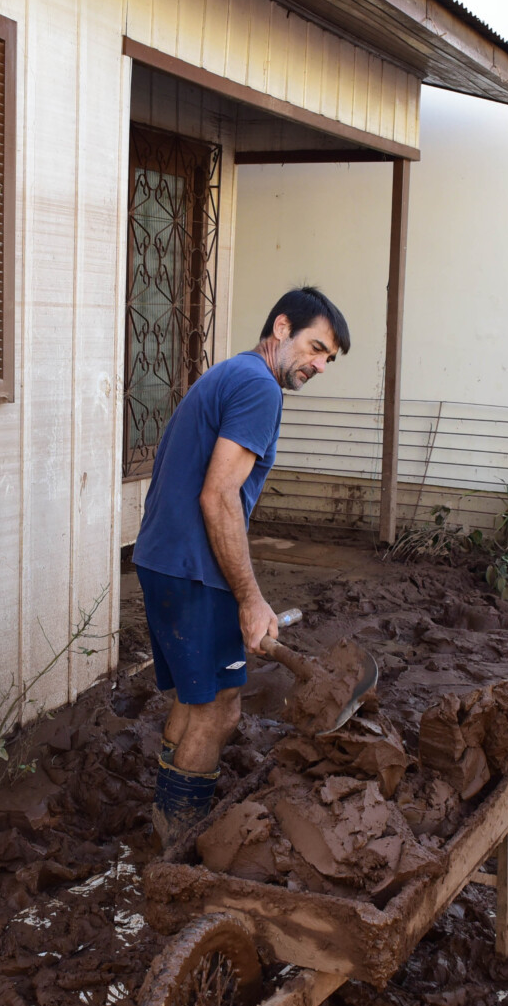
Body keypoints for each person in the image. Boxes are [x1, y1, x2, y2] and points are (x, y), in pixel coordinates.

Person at [132, 287, 350, 842]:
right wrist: (251, 600)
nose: (320, 365)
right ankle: (178, 847)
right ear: (281, 328)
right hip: (194, 569)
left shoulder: (228, 373)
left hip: (161, 560)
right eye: (316, 348)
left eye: (328, 359)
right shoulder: (259, 387)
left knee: (192, 697)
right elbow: (219, 496)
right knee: (221, 710)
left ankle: (164, 814)